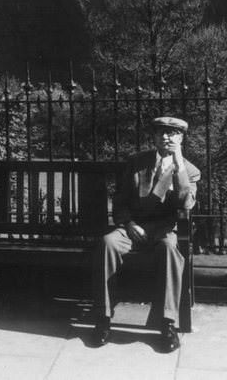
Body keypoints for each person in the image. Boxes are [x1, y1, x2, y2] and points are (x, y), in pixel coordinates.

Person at [90, 115, 201, 353]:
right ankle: (103, 319)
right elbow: (119, 200)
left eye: (172, 133)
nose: (166, 137)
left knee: (170, 249)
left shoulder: (190, 171)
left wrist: (178, 162)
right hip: (133, 227)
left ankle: (167, 324)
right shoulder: (137, 162)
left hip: (164, 229)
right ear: (154, 136)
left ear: (181, 138)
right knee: (107, 243)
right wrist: (128, 223)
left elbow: (185, 203)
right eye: (161, 132)